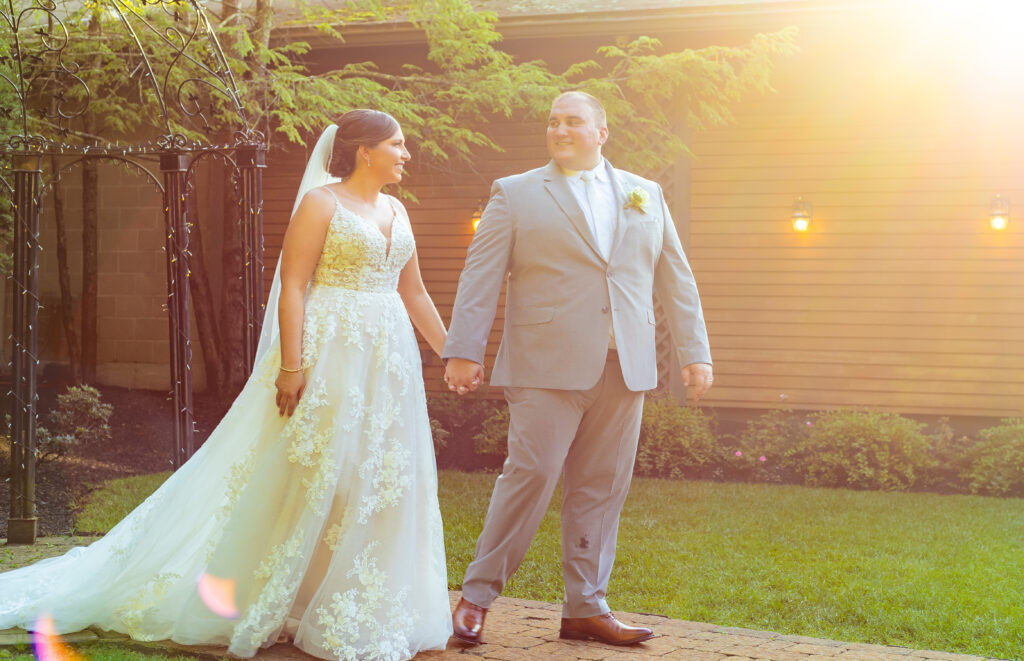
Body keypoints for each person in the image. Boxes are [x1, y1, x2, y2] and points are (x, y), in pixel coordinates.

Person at [0, 110, 453, 661]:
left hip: (388, 361)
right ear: (365, 151)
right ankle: (272, 590)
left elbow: (416, 294)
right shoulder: (322, 204)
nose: (406, 154)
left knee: (378, 476)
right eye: (399, 145)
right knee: (314, 473)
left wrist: (453, 353)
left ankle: (349, 595)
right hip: (331, 351)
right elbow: (292, 285)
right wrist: (292, 365)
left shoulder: (397, 209)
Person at [443, 91, 713, 647]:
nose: (560, 129)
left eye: (572, 121)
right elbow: (480, 275)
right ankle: (476, 597)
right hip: (544, 364)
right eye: (552, 122)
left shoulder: (646, 193)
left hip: (626, 365)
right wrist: (464, 349)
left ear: (601, 131)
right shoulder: (515, 194)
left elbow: (675, 278)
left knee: (602, 487)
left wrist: (695, 351)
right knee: (531, 475)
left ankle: (585, 607)